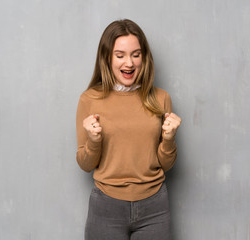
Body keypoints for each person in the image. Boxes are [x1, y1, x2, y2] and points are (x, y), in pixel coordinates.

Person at [76, 19, 181, 240]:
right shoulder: (89, 99)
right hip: (106, 207)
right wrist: (94, 141)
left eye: (136, 54)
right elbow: (86, 165)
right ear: (107, 58)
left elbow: (166, 164)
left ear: (144, 57)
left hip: (154, 207)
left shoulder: (161, 99)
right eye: (120, 55)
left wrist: (169, 140)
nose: (129, 63)